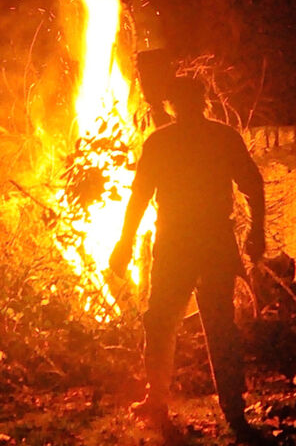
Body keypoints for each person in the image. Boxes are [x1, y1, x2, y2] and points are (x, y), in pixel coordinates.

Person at [109, 76, 265, 441]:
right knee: (204, 323)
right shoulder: (211, 137)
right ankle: (223, 407)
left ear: (175, 104)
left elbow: (139, 198)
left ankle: (180, 402)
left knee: (172, 321)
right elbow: (252, 185)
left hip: (185, 241)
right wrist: (255, 230)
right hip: (201, 241)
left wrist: (126, 241)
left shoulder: (167, 140)